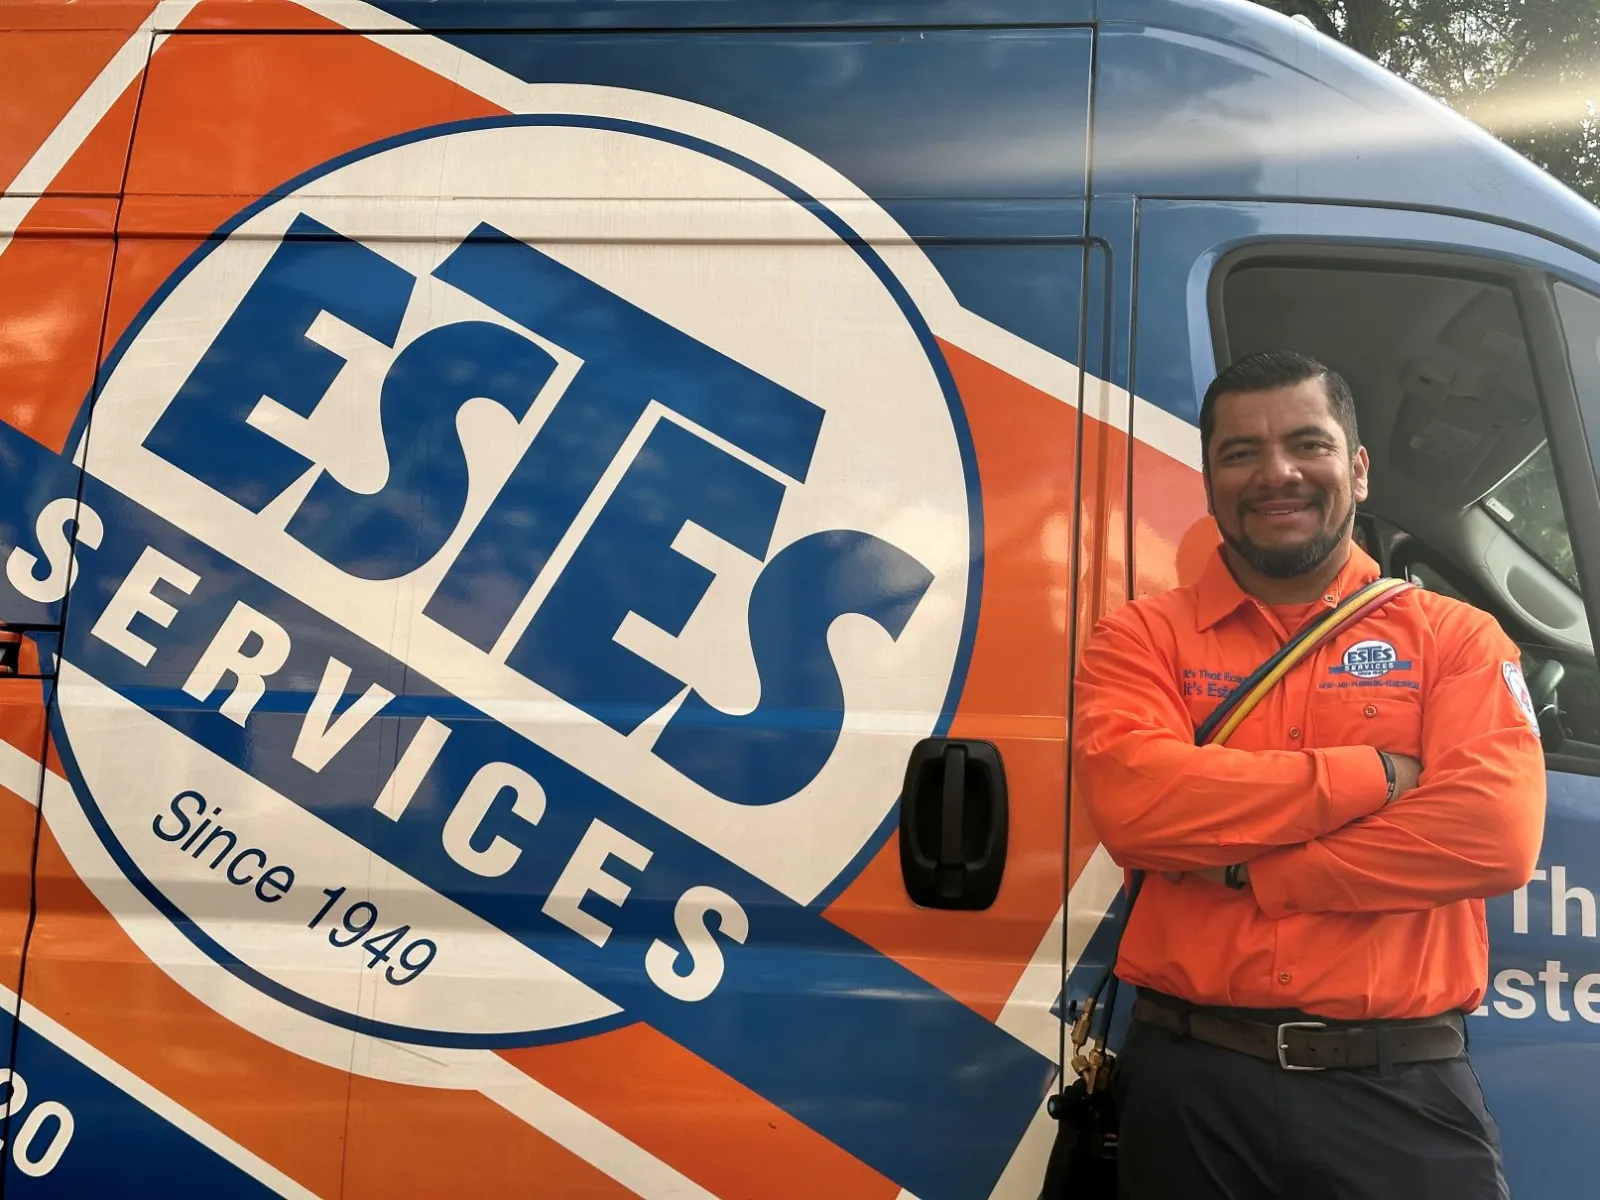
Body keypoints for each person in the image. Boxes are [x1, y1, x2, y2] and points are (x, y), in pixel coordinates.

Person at [1073, 350, 1545, 1200]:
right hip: (1193, 1092)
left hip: (1401, 1092)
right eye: (1241, 452)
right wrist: (1378, 776)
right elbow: (1136, 810)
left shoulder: (1459, 639)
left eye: (1307, 444)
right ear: (1210, 480)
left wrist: (1259, 867)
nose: (1277, 473)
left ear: (1356, 470)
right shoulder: (1138, 640)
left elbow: (1492, 836)